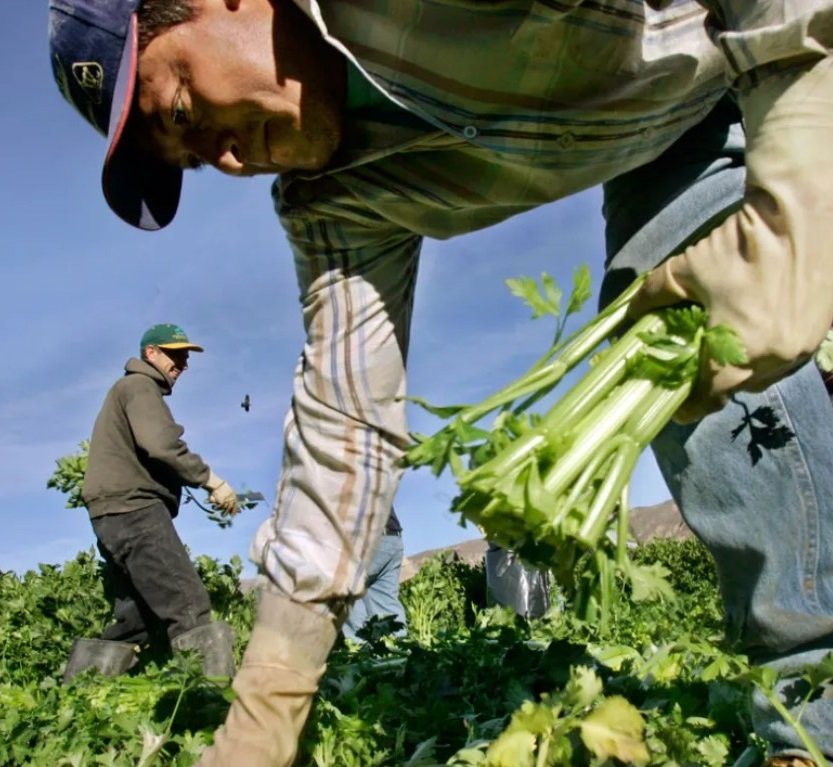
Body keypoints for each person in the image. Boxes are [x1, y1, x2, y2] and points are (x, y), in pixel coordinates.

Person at [48, 2, 833, 765]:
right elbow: (343, 433)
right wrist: (267, 706)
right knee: (665, 352)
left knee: (720, 328)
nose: (225, 157)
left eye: (183, 108)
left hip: (742, 53)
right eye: (194, 160)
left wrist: (798, 191)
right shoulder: (334, 200)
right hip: (647, 139)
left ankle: (815, 706)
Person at [63, 323, 241, 682]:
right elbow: (161, 445)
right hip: (135, 511)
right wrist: (212, 481)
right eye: (175, 354)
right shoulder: (139, 386)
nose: (182, 364)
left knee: (135, 620)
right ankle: (211, 706)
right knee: (189, 606)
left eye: (185, 357)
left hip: (111, 514)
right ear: (151, 354)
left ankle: (80, 703)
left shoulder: (125, 391)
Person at [342, 507, 408, 643]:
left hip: (365, 542)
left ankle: (361, 651)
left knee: (344, 592)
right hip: (391, 538)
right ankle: (399, 655)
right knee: (384, 603)